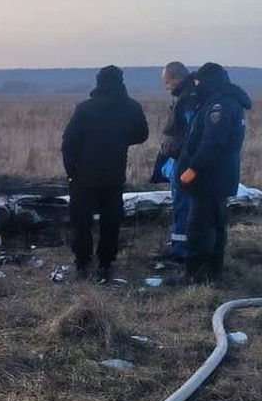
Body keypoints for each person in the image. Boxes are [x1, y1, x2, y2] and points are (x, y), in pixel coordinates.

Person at [62, 65, 149, 282]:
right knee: (111, 221)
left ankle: (82, 264)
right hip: (114, 174)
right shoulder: (131, 107)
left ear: (99, 82)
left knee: (81, 221)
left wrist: (70, 171)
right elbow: (142, 135)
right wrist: (119, 139)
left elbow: (69, 143)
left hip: (84, 175)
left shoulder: (85, 109)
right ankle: (105, 263)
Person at [172, 62, 251, 284]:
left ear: (207, 81)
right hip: (220, 176)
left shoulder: (219, 106)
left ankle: (194, 276)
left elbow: (212, 142)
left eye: (198, 81)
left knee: (200, 226)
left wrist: (192, 169)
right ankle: (213, 273)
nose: (195, 85)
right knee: (216, 224)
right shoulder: (227, 101)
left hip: (207, 177)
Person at [157, 62, 199, 261]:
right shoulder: (184, 97)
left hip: (184, 162)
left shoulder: (188, 99)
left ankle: (180, 251)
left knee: (183, 206)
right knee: (181, 205)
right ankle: (179, 245)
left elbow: (193, 132)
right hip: (179, 159)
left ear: (177, 78)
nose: (166, 87)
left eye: (167, 82)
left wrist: (185, 162)